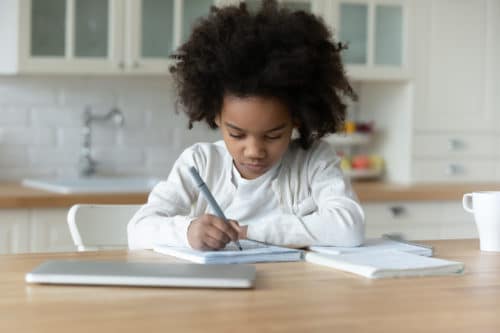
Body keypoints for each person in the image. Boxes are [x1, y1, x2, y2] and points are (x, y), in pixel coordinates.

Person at [127, 0, 365, 251]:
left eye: (273, 135)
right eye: (237, 134)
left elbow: (349, 227)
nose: (254, 151)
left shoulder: (313, 161)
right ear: (216, 116)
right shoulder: (199, 163)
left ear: (296, 118)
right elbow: (138, 229)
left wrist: (249, 232)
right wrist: (188, 231)